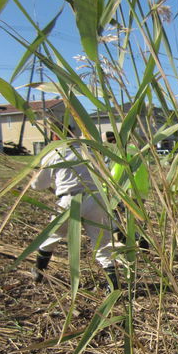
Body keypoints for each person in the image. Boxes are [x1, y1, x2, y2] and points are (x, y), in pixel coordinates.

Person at [31, 124, 119, 291]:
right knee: (103, 243)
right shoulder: (90, 152)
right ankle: (113, 285)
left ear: (55, 137)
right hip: (95, 199)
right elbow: (106, 175)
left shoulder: (54, 154)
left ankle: (38, 272)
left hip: (69, 201)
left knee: (52, 238)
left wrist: (33, 176)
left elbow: (38, 185)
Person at [106, 131, 150, 250]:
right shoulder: (136, 150)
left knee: (118, 217)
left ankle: (126, 242)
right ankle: (140, 241)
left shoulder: (119, 152)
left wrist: (105, 189)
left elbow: (115, 173)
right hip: (141, 191)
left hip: (126, 192)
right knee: (135, 219)